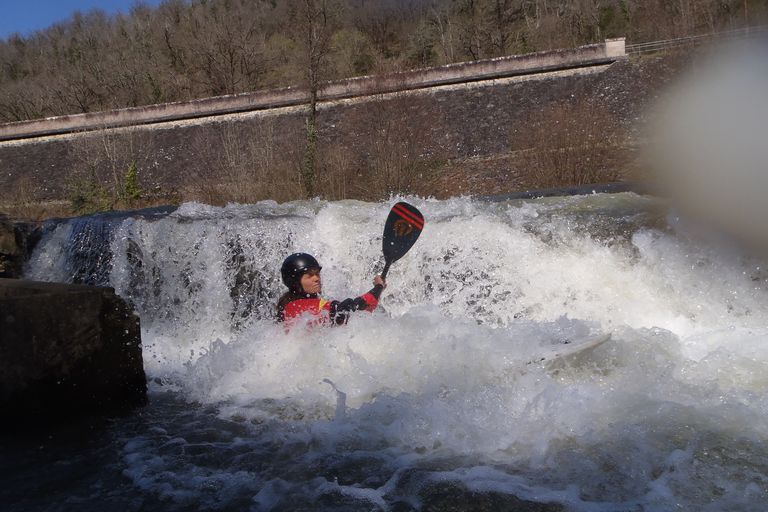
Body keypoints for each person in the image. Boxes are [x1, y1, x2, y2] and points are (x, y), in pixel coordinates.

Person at [277, 252, 386, 327]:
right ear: (295, 282)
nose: (316, 279)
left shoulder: (290, 306)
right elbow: (346, 310)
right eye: (309, 275)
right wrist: (378, 288)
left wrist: (377, 291)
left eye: (317, 274)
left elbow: (357, 313)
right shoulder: (296, 307)